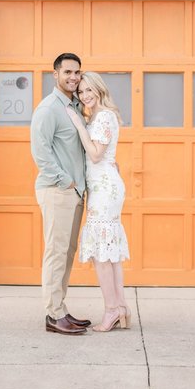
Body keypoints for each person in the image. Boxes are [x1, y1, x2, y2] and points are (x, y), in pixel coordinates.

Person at [30, 53, 91, 335]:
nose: (73, 77)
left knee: (67, 252)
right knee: (56, 252)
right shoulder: (49, 109)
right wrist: (64, 180)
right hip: (58, 190)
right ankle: (53, 314)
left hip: (75, 191)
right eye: (67, 72)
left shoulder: (73, 106)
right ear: (55, 74)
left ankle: (60, 308)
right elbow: (40, 151)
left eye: (77, 72)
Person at [65, 71, 131, 332]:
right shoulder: (102, 116)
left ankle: (112, 310)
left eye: (89, 90)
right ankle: (121, 307)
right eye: (81, 92)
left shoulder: (102, 116)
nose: (85, 96)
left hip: (104, 190)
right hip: (105, 185)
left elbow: (94, 155)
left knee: (103, 255)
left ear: (99, 89)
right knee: (109, 252)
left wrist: (79, 124)